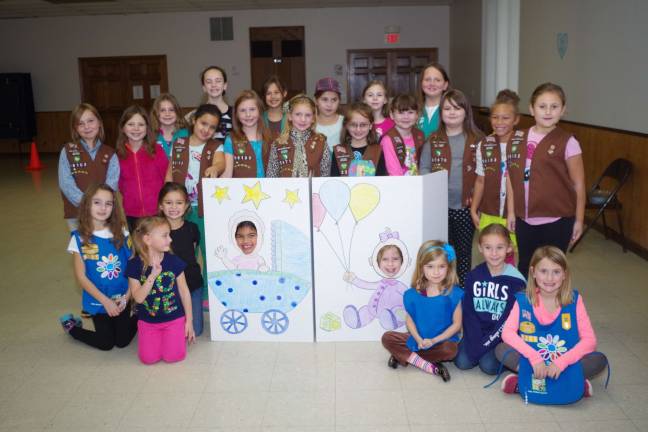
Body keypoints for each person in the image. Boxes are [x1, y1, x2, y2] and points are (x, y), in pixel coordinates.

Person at [495, 246, 608, 404]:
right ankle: (574, 383)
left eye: (556, 272)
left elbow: (589, 340)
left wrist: (561, 362)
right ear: (533, 272)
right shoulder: (523, 300)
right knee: (501, 350)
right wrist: (535, 358)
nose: (549, 278)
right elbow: (507, 333)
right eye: (544, 271)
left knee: (598, 360)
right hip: (533, 360)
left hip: (564, 360)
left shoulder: (574, 301)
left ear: (564, 275)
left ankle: (523, 382)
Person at [506, 83, 586, 278]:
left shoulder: (568, 142)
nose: (548, 111)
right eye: (542, 106)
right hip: (524, 220)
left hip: (557, 221)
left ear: (563, 110)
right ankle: (528, 308)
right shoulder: (517, 138)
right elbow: (511, 177)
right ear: (532, 109)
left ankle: (552, 308)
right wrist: (510, 211)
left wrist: (579, 219)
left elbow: (579, 184)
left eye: (554, 106)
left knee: (552, 271)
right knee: (526, 268)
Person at [59, 184, 137, 350]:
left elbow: (133, 265)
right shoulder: (79, 239)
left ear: (113, 207)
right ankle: (72, 328)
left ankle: (140, 312)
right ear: (87, 204)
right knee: (106, 343)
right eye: (97, 202)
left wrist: (128, 296)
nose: (103, 208)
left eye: (108, 203)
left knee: (122, 342)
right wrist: (105, 302)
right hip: (98, 300)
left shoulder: (122, 231)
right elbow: (81, 276)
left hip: (122, 297)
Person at [419, 89, 484, 286]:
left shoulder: (478, 139)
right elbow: (424, 168)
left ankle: (461, 288)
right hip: (440, 207)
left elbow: (484, 175)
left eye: (457, 108)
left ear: (466, 112)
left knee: (463, 251)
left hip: (466, 207)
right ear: (441, 112)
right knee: (442, 251)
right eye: (447, 108)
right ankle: (443, 286)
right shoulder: (433, 139)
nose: (452, 112)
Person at [381, 241, 463, 381]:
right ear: (421, 267)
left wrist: (434, 340)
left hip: (442, 340)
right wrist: (419, 339)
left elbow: (457, 325)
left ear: (448, 267)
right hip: (418, 339)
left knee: (451, 351)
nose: (436, 272)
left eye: (441, 267)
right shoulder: (414, 294)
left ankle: (403, 356)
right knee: (387, 338)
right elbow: (410, 319)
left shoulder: (453, 294)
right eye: (430, 267)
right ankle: (429, 365)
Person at [167, 103, 225, 295]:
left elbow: (219, 162)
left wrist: (215, 169)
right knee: (180, 252)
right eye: (203, 123)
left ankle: (209, 294)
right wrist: (166, 197)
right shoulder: (179, 143)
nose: (206, 129)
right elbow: (170, 172)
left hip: (204, 209)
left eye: (212, 127)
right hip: (180, 211)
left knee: (208, 251)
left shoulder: (216, 146)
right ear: (194, 120)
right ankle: (181, 291)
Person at [454, 224, 525, 374]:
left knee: (488, 366)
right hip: (477, 331)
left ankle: (510, 355)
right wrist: (474, 341)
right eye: (488, 247)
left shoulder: (516, 280)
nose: (494, 253)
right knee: (462, 362)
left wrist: (485, 344)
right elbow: (469, 312)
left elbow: (508, 319)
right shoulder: (474, 276)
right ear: (480, 248)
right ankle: (477, 348)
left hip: (500, 336)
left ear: (509, 248)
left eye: (499, 247)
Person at [127, 216, 195, 364]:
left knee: (174, 357)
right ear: (148, 239)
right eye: (164, 235)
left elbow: (184, 292)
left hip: (174, 319)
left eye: (169, 235)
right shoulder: (134, 265)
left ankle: (171, 337)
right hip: (148, 321)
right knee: (148, 359)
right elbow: (138, 298)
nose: (170, 239)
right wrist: (152, 276)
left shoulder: (174, 262)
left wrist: (188, 321)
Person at [470, 89, 521, 265]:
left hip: (513, 213)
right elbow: (480, 180)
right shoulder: (484, 145)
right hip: (489, 211)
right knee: (491, 256)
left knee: (509, 255)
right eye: (495, 117)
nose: (499, 122)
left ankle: (508, 287)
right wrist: (474, 208)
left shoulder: (523, 143)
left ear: (516, 119)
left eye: (506, 118)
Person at [58, 103, 119, 230]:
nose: (87, 127)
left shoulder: (110, 153)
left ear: (99, 123)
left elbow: (111, 184)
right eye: (81, 123)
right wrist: (88, 205)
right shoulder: (68, 151)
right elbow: (66, 183)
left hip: (104, 214)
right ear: (75, 128)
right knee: (82, 248)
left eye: (90, 121)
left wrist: (98, 206)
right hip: (76, 214)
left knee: (104, 248)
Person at [158, 182, 205, 337]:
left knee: (196, 331)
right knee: (175, 331)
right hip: (168, 288)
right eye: (168, 202)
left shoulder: (192, 228)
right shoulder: (156, 232)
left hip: (192, 284)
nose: (174, 207)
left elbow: (195, 255)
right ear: (161, 205)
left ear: (186, 206)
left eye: (179, 203)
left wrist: (199, 277)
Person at [116, 105, 168, 232]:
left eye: (141, 124)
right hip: (131, 214)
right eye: (131, 124)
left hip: (156, 212)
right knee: (137, 249)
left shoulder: (157, 151)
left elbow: (166, 179)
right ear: (123, 127)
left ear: (147, 128)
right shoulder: (118, 155)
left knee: (157, 248)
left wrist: (163, 205)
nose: (136, 129)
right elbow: (120, 186)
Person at [266, 94, 331, 177]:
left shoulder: (321, 143)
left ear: (313, 118)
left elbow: (325, 177)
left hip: (313, 190)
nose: (303, 119)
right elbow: (271, 177)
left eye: (307, 115)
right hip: (285, 189)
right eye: (298, 114)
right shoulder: (278, 144)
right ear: (290, 116)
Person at [222, 90, 271, 178]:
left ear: (259, 111)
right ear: (236, 114)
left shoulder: (270, 138)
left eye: (252, 109)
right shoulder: (231, 140)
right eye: (242, 110)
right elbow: (227, 174)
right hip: (241, 190)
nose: (248, 114)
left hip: (267, 190)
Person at [331, 102, 386, 176]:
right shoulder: (339, 152)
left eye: (363, 125)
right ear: (346, 125)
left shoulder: (377, 151)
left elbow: (382, 181)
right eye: (353, 125)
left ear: (370, 126)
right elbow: (335, 182)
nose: (358, 129)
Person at [380, 94, 425, 176]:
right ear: (392, 115)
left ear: (417, 115)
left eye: (410, 112)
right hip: (399, 185)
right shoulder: (388, 139)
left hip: (419, 184)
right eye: (401, 113)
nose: (406, 117)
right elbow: (394, 172)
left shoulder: (420, 135)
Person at [184, 65, 232, 140]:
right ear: (204, 88)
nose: (213, 85)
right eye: (209, 82)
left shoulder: (235, 115)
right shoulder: (192, 116)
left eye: (218, 81)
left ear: (225, 85)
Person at [417, 63, 450, 139]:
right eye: (427, 79)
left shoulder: (452, 111)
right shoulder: (413, 109)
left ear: (445, 85)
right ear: (421, 83)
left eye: (437, 80)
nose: (432, 84)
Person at [151, 93, 189, 158]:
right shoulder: (152, 136)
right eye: (162, 110)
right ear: (156, 113)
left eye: (171, 110)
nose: (167, 114)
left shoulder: (185, 134)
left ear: (177, 112)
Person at [314, 77, 344, 149]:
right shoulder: (309, 123)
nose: (329, 104)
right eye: (324, 99)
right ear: (316, 101)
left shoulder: (345, 122)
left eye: (334, 100)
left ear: (339, 101)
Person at [261, 75, 288, 141]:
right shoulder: (259, 119)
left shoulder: (291, 119)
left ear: (284, 93)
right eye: (268, 93)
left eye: (276, 92)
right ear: (264, 96)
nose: (273, 96)